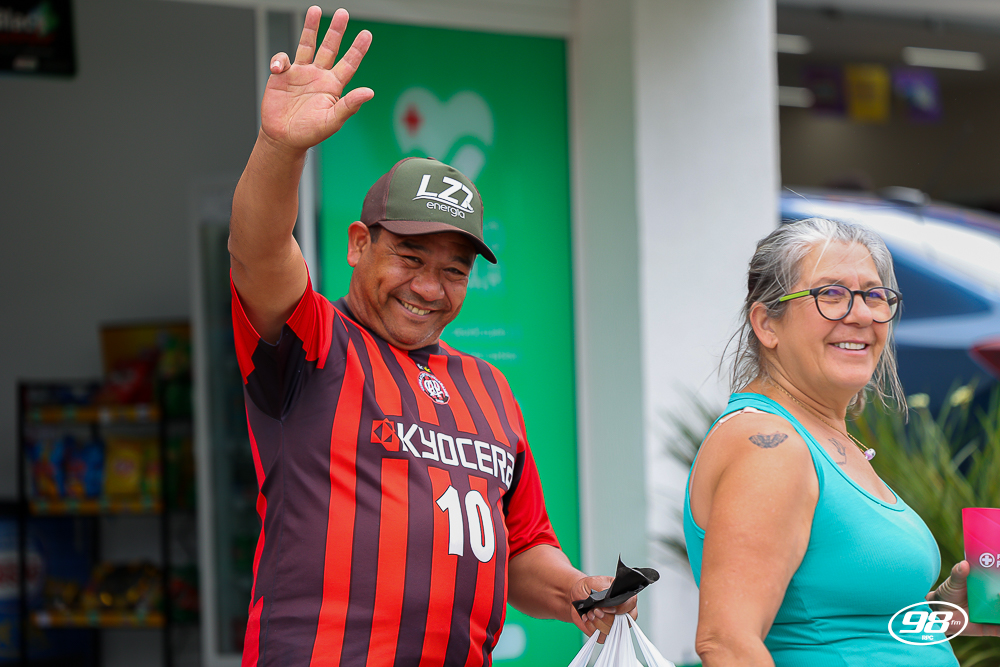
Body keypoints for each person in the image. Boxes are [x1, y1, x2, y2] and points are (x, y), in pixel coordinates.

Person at [228, 6, 633, 666]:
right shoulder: (315, 341)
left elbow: (520, 547)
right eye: (410, 258)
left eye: (453, 270)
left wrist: (578, 592)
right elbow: (259, 250)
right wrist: (281, 147)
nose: (428, 287)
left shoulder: (489, 388)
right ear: (358, 245)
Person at [683, 217, 1000, 666]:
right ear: (767, 324)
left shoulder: (821, 436)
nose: (862, 314)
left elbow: (846, 626)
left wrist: (941, 613)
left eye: (874, 295)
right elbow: (727, 643)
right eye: (830, 294)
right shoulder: (767, 445)